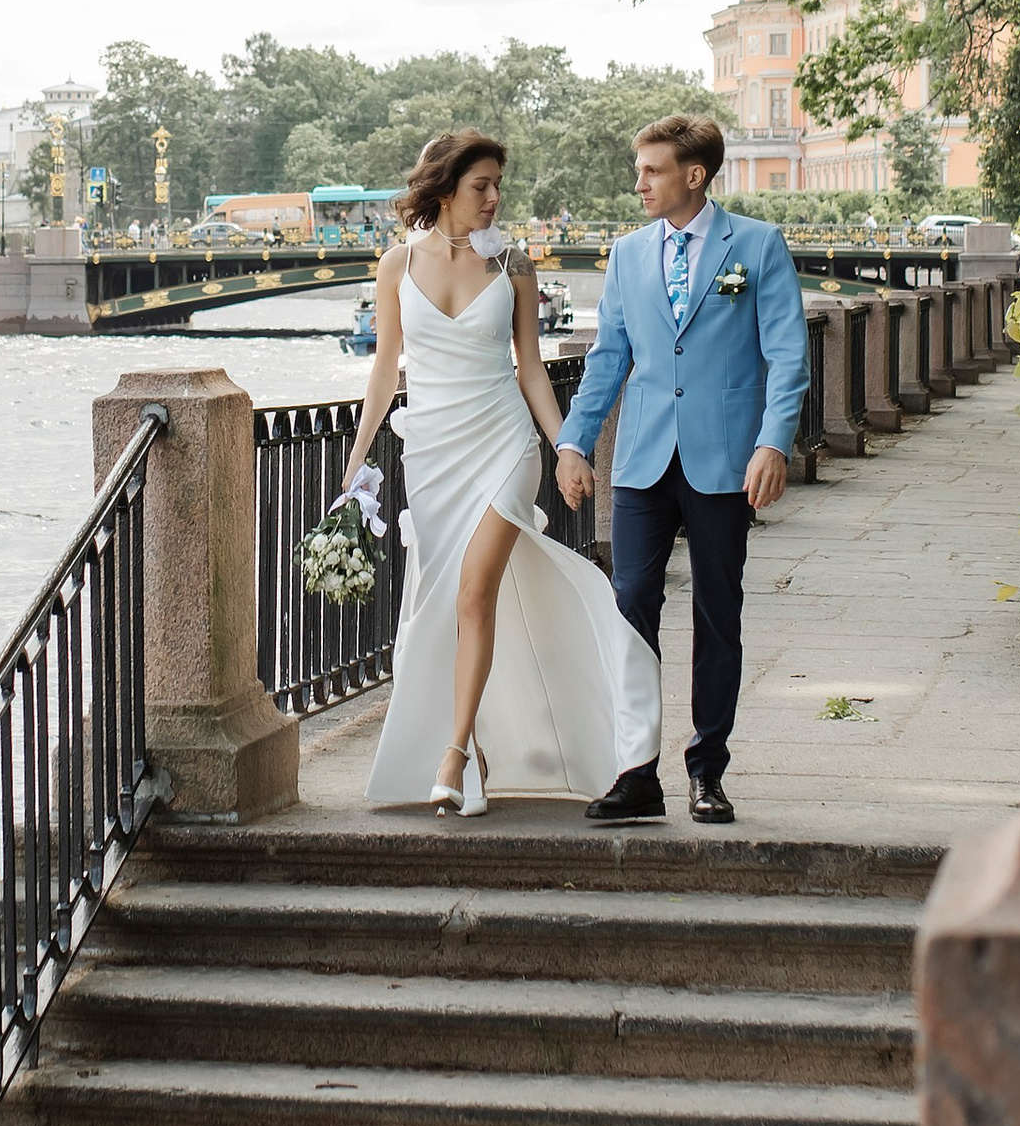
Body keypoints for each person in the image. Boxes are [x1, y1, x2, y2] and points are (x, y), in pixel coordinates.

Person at [343, 130, 659, 816]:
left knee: (473, 594)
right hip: (431, 457)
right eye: (480, 185)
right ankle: (477, 746)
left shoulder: (514, 265)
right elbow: (384, 369)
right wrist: (359, 450)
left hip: (505, 447)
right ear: (446, 188)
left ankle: (453, 756)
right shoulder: (396, 265)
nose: (492, 199)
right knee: (442, 605)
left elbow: (532, 370)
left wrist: (566, 447)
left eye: (497, 187)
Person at [554, 113, 810, 828]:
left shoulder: (755, 245)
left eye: (652, 170)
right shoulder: (628, 254)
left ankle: (707, 772)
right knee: (631, 599)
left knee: (716, 611)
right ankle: (636, 772)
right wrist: (573, 443)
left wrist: (772, 443)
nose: (638, 183)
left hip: (725, 459)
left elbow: (787, 356)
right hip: (641, 458)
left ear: (693, 176)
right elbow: (608, 358)